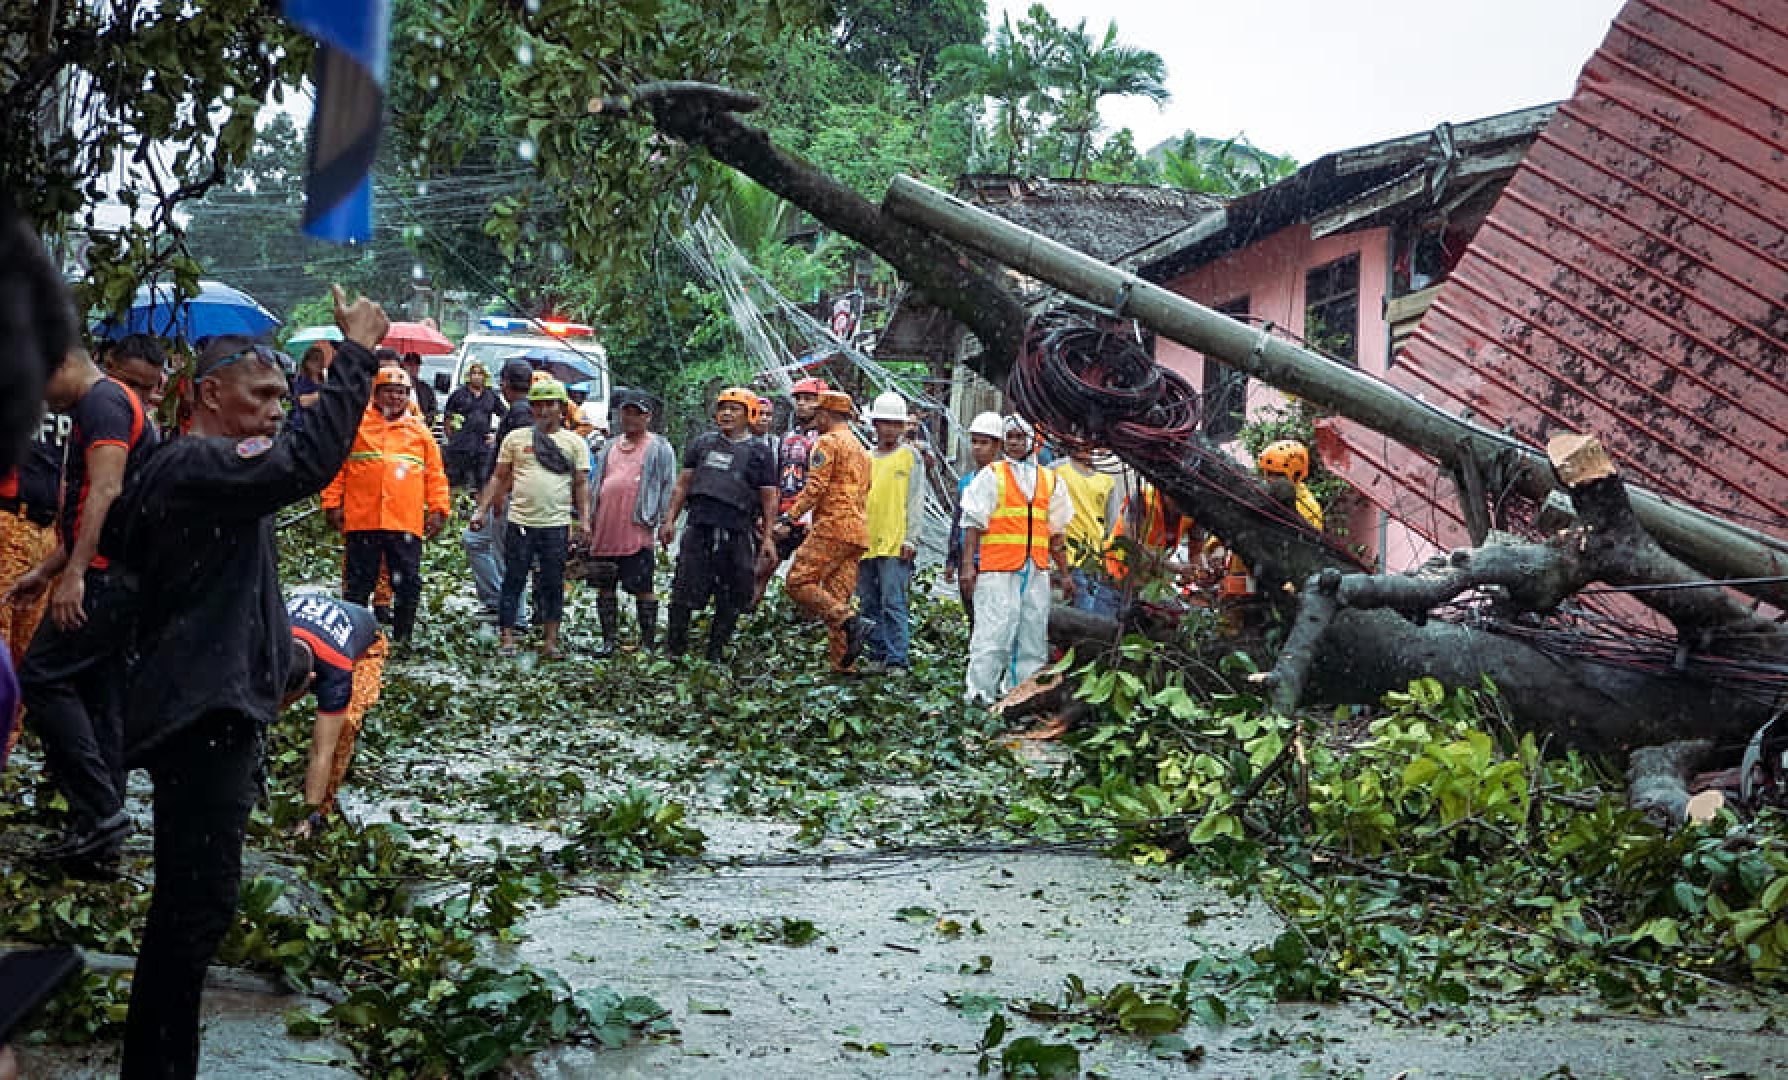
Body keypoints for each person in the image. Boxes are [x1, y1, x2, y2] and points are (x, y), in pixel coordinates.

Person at [99, 285, 385, 1077]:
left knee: (192, 913)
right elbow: (304, 460)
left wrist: (283, 666)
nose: (275, 410)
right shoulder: (197, 464)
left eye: (283, 396)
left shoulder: (206, 475)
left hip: (214, 705)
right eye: (260, 396)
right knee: (191, 917)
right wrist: (355, 354)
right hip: (201, 719)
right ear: (207, 397)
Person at [7, 345, 156, 865]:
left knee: (42, 677)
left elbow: (107, 490)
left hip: (107, 579)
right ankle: (97, 832)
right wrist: (46, 571)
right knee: (101, 700)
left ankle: (100, 809)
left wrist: (73, 576)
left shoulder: (103, 404)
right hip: (113, 573)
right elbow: (92, 501)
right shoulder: (100, 406)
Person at [320, 367, 449, 647]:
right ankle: (353, 637)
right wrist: (332, 503)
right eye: (389, 391)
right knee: (358, 582)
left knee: (407, 582)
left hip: (404, 521)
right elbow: (337, 468)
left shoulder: (419, 432)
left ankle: (402, 638)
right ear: (376, 394)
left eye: (401, 392)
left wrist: (439, 509)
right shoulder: (357, 427)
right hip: (362, 518)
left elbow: (435, 473)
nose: (395, 397)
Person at [959, 414, 1075, 706]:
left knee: (1033, 636)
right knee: (993, 634)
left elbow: (1056, 532)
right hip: (998, 569)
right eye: (1009, 437)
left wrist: (1065, 573)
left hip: (1035, 569)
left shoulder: (1050, 481)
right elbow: (972, 522)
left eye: (1019, 437)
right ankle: (979, 696)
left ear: (1033, 441)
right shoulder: (992, 475)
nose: (1014, 443)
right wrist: (967, 566)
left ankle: (1022, 696)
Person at [472, 377, 589, 660]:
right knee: (513, 579)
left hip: (556, 524)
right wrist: (481, 510)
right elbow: (499, 477)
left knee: (552, 583)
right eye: (538, 405)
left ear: (562, 408)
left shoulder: (574, 443)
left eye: (550, 404)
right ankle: (507, 636)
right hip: (521, 522)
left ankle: (550, 641)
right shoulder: (516, 439)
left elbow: (581, 484)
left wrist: (584, 520)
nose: (544, 410)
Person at [657, 387, 776, 662]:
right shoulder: (702, 444)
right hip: (699, 526)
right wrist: (669, 520)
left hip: (737, 530)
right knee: (684, 589)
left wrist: (768, 538)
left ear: (750, 415)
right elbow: (682, 484)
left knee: (732, 593)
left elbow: (769, 497)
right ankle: (675, 649)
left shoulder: (760, 452)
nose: (727, 413)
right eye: (723, 408)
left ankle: (716, 652)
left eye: (735, 409)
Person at [283, 592, 387, 836]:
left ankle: (322, 811)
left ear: (312, 681)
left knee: (343, 729)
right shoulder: (265, 643)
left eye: (287, 701)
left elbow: (322, 752)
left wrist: (307, 814)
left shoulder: (336, 673)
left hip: (365, 645)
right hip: (305, 625)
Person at [783, 390, 871, 673]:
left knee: (797, 582)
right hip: (857, 531)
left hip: (833, 525)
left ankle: (850, 621)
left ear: (825, 415)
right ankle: (844, 667)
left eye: (816, 412)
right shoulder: (861, 449)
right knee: (836, 595)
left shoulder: (827, 443)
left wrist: (789, 518)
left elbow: (816, 488)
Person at [0, 403, 67, 767]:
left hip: (48, 532)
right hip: (9, 518)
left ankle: (7, 747)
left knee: (29, 648)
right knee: (2, 641)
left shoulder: (68, 401)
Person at [585, 387, 674, 657]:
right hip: (605, 526)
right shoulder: (609, 446)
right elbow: (595, 482)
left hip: (638, 527)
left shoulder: (659, 447)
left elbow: (668, 485)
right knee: (604, 584)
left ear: (648, 417)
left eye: (637, 413)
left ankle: (647, 643)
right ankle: (608, 641)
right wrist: (587, 520)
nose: (631, 418)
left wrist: (666, 521)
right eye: (627, 412)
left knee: (642, 586)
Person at [462, 358, 536, 619]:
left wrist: (499, 494)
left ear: (504, 383)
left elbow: (517, 460)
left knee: (506, 553)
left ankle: (514, 613)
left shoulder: (521, 414)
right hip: (504, 491)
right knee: (476, 541)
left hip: (509, 494)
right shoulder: (518, 411)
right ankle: (498, 600)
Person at [857, 392, 925, 675]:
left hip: (896, 541)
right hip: (866, 540)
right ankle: (877, 653)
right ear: (875, 424)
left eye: (894, 424)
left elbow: (915, 499)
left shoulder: (910, 457)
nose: (888, 429)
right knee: (868, 601)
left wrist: (911, 537)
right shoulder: (864, 457)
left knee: (892, 601)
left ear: (902, 427)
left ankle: (898, 658)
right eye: (883, 423)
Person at [944, 411, 1004, 623]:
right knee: (971, 614)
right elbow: (957, 521)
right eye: (974, 442)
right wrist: (951, 560)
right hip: (966, 558)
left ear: (997, 446)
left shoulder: (1003, 481)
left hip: (991, 560)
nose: (977, 448)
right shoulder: (966, 482)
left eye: (984, 442)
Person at [1054, 446, 1123, 617]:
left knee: (1088, 618)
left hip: (1093, 561)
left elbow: (1111, 524)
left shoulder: (1107, 479)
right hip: (1062, 560)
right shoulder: (1055, 471)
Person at [442, 361, 502, 489]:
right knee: (456, 482)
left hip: (482, 448)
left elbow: (505, 415)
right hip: (460, 448)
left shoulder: (490, 396)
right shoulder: (458, 394)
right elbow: (447, 417)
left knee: (482, 482)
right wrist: (452, 438)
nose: (476, 376)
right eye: (473, 373)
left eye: (480, 373)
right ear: (468, 376)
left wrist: (496, 436)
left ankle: (479, 507)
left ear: (485, 376)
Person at [398, 351, 438, 427]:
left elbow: (433, 409)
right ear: (403, 365)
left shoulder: (426, 388)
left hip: (420, 427)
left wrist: (426, 419)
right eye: (410, 364)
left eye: (416, 365)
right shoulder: (395, 386)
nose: (413, 367)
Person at [291, 342, 332, 411]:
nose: (320, 363)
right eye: (316, 359)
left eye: (322, 359)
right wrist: (325, 394)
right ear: (307, 362)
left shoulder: (324, 378)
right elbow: (303, 401)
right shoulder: (302, 380)